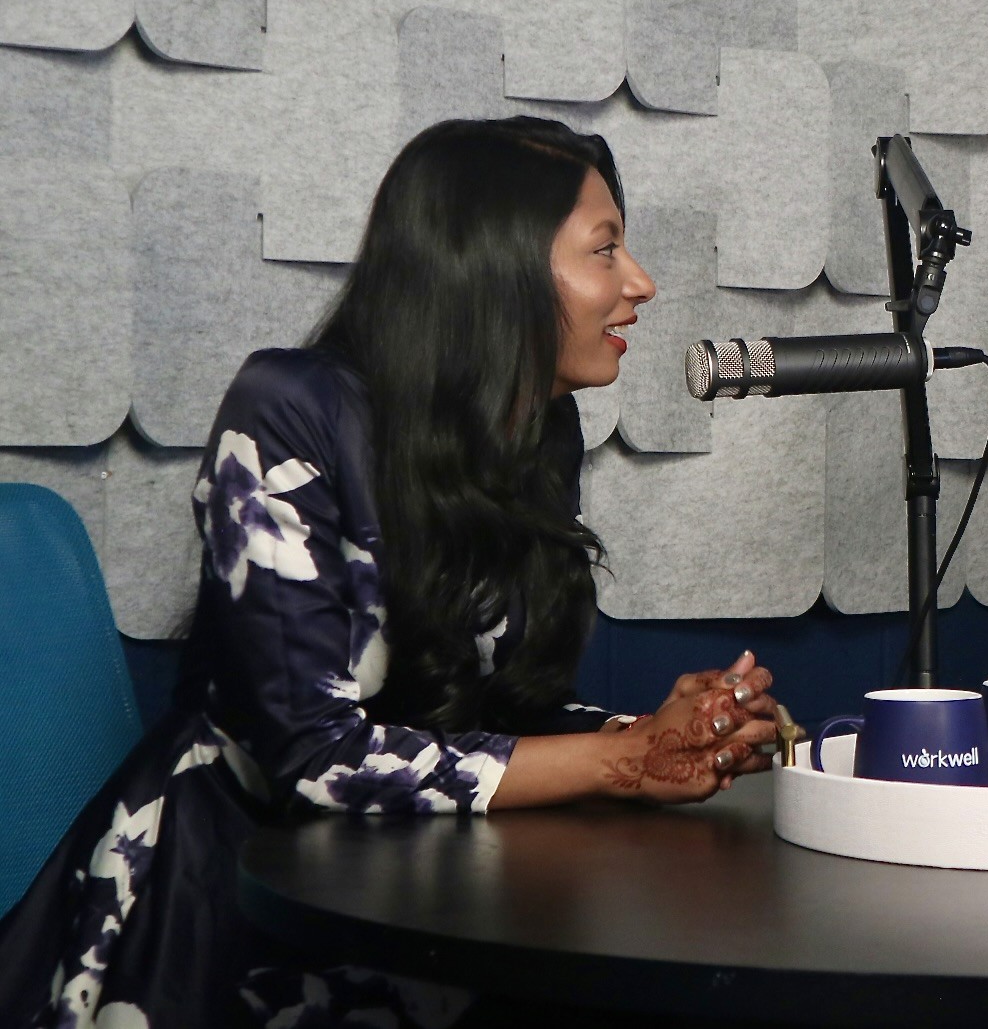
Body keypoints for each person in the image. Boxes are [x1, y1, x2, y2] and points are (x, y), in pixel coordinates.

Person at [0, 116, 780, 1027]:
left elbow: (487, 718)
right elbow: (315, 755)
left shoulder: (540, 429)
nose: (639, 282)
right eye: (604, 249)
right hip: (233, 907)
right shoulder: (289, 409)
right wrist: (624, 760)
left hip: (438, 891)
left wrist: (658, 731)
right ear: (490, 267)